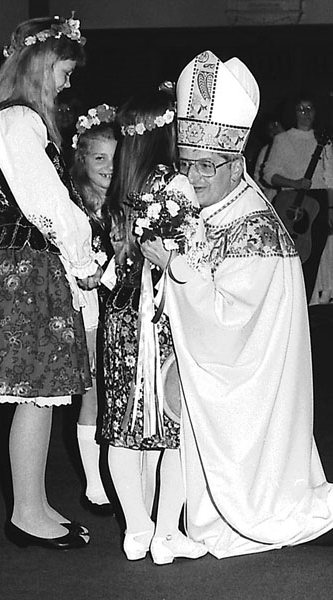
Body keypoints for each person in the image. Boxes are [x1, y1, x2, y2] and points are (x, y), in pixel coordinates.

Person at [140, 50, 333, 559]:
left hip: (250, 385)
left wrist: (176, 267)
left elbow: (231, 326)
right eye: (188, 165)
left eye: (208, 166)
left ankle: (198, 520)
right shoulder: (208, 206)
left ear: (236, 164)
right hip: (218, 373)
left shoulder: (254, 226)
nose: (195, 177)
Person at [0, 15, 102, 550]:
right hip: (29, 266)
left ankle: (33, 504)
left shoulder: (17, 119)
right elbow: (47, 205)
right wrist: (82, 260)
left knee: (41, 392)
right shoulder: (16, 121)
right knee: (36, 390)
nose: (67, 83)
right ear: (37, 64)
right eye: (63, 71)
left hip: (30, 264)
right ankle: (27, 513)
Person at [99, 88, 208, 564]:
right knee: (177, 427)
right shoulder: (175, 187)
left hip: (119, 318)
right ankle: (166, 532)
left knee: (121, 424)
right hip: (160, 318)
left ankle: (136, 528)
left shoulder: (116, 190)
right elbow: (190, 258)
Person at [71, 104, 117, 515]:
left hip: (119, 304)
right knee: (93, 392)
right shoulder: (75, 206)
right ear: (83, 159)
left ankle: (119, 470)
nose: (108, 167)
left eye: (114, 158)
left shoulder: (121, 203)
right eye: (99, 158)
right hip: (88, 306)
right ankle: (93, 482)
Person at [263, 93, 333, 301]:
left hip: (319, 202)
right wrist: (293, 183)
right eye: (300, 109)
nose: (305, 114)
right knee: (290, 258)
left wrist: (330, 208)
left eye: (309, 108)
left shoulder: (323, 141)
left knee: (313, 258)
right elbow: (269, 173)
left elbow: (329, 178)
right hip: (292, 202)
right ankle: (287, 303)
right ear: (293, 113)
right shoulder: (282, 140)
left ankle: (306, 308)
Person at [253, 113, 284, 202]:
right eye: (270, 129)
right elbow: (258, 177)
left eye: (276, 125)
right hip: (272, 197)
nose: (274, 130)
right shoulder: (266, 150)